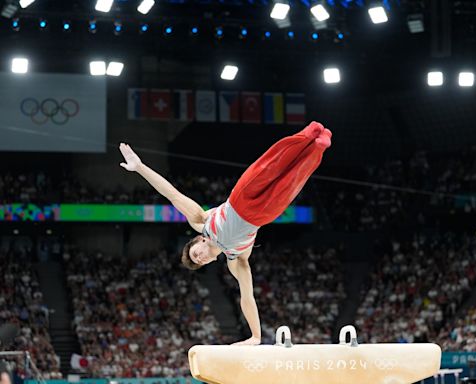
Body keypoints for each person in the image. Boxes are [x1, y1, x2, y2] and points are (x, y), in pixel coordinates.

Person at [119, 121, 332, 345]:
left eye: (195, 253)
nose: (199, 257)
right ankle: (318, 147)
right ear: (209, 263)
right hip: (263, 215)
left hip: (240, 198)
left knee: (271, 165)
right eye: (199, 261)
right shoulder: (236, 259)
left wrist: (140, 167)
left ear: (198, 240)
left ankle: (308, 134)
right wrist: (256, 336)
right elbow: (247, 298)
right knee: (293, 180)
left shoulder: (202, 222)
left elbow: (172, 194)